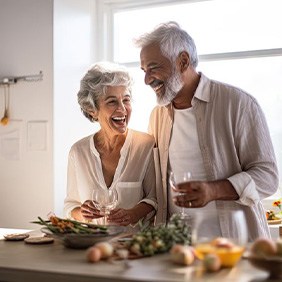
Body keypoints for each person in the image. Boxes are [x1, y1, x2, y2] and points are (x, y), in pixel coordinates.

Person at [134, 21, 279, 241]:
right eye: (144, 71)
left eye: (153, 68)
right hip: (176, 251)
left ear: (183, 61)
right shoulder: (157, 116)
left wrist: (214, 191)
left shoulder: (238, 104)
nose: (146, 80)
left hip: (234, 248)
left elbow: (268, 177)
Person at [64, 62, 157, 227]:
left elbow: (154, 198)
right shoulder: (78, 152)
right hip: (90, 245)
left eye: (126, 100)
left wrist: (134, 213)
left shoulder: (146, 145)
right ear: (92, 110)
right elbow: (71, 205)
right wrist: (82, 213)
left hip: (134, 246)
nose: (122, 109)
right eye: (112, 102)